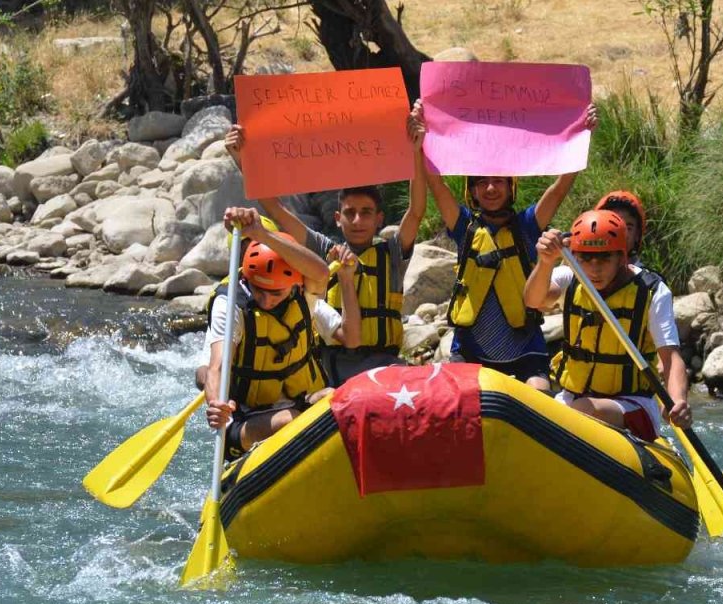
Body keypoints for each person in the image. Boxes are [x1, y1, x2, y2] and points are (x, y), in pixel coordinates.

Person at [411, 99, 598, 390]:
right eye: (481, 182)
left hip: (524, 348)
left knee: (539, 392)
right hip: (471, 348)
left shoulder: (527, 225)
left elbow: (559, 188)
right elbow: (437, 185)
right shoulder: (464, 227)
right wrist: (421, 141)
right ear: (472, 190)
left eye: (498, 181)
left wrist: (583, 135)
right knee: (455, 400)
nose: (489, 188)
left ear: (510, 187)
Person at [222, 121, 427, 385]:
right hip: (331, 364)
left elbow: (417, 211)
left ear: (379, 219)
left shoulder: (394, 254)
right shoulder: (323, 250)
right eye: (350, 213)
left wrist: (415, 151)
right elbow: (277, 211)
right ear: (338, 218)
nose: (357, 221)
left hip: (383, 362)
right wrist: (242, 158)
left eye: (365, 213)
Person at [202, 207, 359, 459]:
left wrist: (261, 234)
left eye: (275, 294)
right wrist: (216, 404)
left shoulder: (301, 294)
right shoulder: (230, 304)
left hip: (298, 401)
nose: (266, 301)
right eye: (259, 291)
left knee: (335, 398)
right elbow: (216, 368)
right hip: (247, 416)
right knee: (289, 420)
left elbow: (319, 273)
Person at [522, 209, 692, 441]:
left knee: (584, 409)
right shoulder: (571, 277)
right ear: (575, 256)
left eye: (604, 257)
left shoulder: (651, 291)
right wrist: (545, 262)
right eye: (585, 258)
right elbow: (534, 300)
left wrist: (678, 400)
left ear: (621, 257)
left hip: (631, 404)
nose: (594, 268)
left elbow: (670, 358)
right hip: (572, 398)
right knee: (534, 400)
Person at [595, 190, 647, 265]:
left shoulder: (645, 276)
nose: (620, 234)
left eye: (628, 228)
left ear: (637, 235)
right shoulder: (575, 269)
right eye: (612, 225)